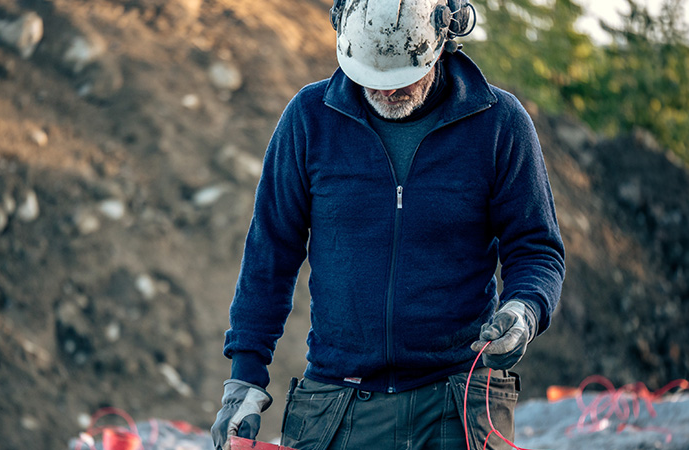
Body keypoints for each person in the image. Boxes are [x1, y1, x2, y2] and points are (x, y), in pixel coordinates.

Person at [211, 0, 565, 448]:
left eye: (402, 77)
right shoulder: (309, 120)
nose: (388, 92)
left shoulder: (498, 124)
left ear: (442, 43)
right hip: (337, 398)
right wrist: (245, 376)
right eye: (371, 79)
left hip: (457, 399)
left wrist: (524, 310)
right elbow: (270, 253)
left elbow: (536, 247)